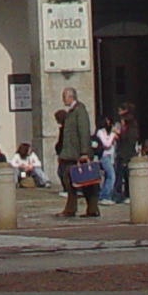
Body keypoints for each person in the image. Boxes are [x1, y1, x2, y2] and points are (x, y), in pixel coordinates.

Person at [55, 86, 99, 219]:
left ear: (71, 97)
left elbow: (84, 131)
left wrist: (84, 152)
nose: (63, 99)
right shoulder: (71, 112)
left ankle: (90, 208)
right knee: (69, 181)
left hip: (77, 154)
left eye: (65, 97)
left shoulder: (80, 110)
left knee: (86, 182)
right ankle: (72, 208)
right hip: (69, 154)